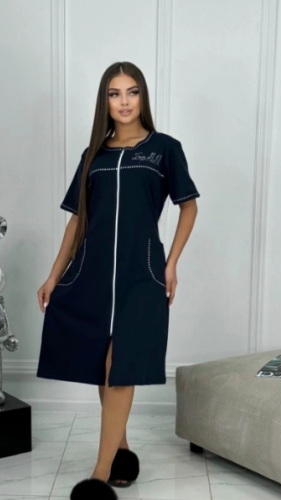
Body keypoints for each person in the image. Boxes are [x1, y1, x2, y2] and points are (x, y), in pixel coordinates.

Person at [36, 61, 200, 499]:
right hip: (90, 272)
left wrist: (172, 263)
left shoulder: (164, 149)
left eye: (131, 92)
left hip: (142, 273)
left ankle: (98, 475)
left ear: (142, 96)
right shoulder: (93, 155)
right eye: (114, 93)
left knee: (121, 364)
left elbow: (188, 206)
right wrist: (53, 275)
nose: (124, 102)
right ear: (104, 101)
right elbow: (77, 220)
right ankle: (122, 450)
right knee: (101, 362)